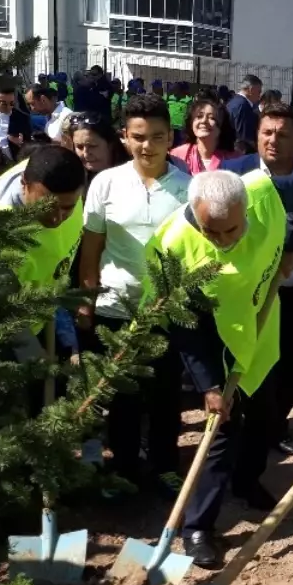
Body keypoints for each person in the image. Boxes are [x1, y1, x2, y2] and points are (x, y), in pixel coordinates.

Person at [145, 170, 286, 568]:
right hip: (214, 338)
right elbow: (185, 327)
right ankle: (197, 527)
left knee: (263, 413)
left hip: (259, 326)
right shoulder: (172, 247)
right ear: (194, 212)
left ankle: (247, 482)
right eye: (213, 232)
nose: (225, 241)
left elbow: (290, 219)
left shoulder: (262, 193)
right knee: (219, 433)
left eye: (233, 230)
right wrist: (209, 385)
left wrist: (290, 251)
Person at [78, 94, 189, 491]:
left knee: (164, 395)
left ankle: (163, 467)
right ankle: (123, 470)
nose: (148, 146)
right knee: (121, 398)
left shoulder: (188, 189)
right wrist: (87, 304)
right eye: (139, 136)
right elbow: (91, 249)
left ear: (170, 137)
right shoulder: (106, 184)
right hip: (115, 306)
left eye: (157, 137)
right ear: (125, 137)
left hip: (164, 308)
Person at [240, 104, 293, 470]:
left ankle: (276, 427)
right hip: (244, 293)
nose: (273, 140)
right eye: (267, 133)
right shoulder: (234, 173)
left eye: (283, 134)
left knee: (290, 365)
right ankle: (242, 435)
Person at [0, 145, 87, 294]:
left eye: (67, 208)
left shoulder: (58, 175)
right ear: (24, 183)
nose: (56, 218)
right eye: (46, 207)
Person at [170, 96, 240, 174]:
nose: (204, 121)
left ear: (222, 126)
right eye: (199, 116)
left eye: (212, 118)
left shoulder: (235, 160)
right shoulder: (177, 155)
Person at [65, 112, 127, 193]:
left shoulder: (131, 178)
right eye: (80, 147)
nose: (86, 154)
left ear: (111, 144)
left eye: (92, 146)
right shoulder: (74, 181)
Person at [228, 74, 262, 146]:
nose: (259, 96)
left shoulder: (234, 101)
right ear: (251, 90)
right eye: (259, 92)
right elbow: (244, 138)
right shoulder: (243, 106)